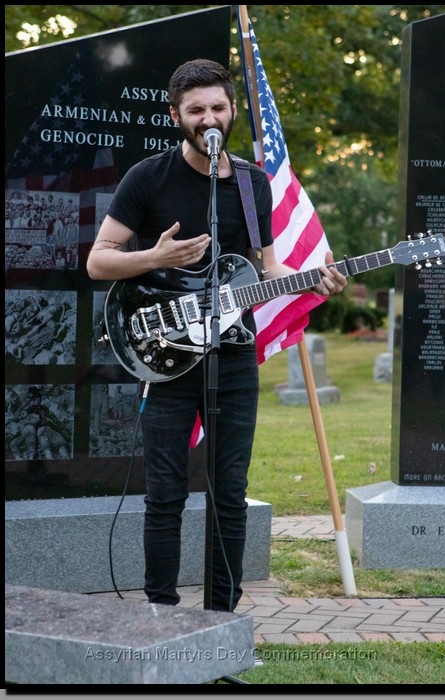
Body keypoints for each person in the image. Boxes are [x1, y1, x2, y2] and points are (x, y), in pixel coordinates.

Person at [86, 58, 347, 612]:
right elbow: (98, 261)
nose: (209, 118)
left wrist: (314, 280)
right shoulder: (148, 177)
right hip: (167, 357)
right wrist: (155, 257)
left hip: (233, 356)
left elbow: (268, 269)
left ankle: (222, 617)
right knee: (165, 493)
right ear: (176, 115)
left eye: (218, 108)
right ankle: (160, 615)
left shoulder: (252, 183)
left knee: (230, 492)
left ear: (231, 111)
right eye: (196, 109)